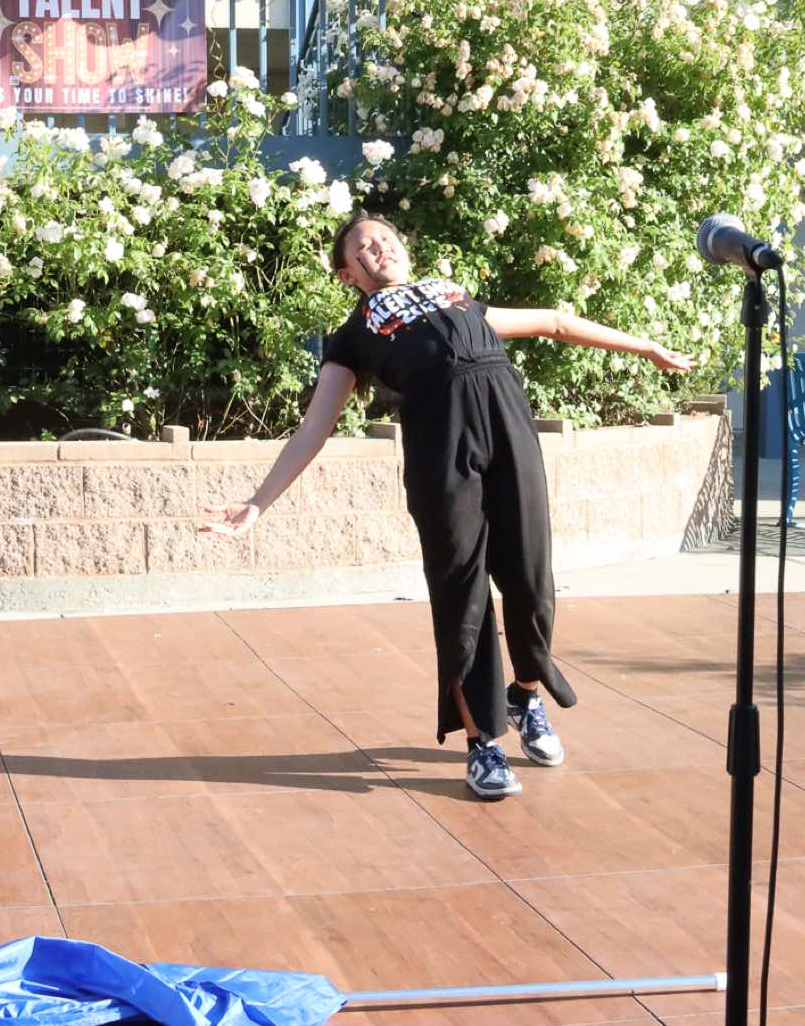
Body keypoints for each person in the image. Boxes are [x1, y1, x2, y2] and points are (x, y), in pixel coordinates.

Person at [200, 213, 695, 800]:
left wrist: (645, 346)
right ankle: (483, 742)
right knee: (464, 597)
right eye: (364, 247)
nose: (380, 248)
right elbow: (314, 428)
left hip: (510, 434)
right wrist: (258, 502)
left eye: (386, 239)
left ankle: (525, 696)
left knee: (533, 582)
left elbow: (555, 322)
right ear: (347, 274)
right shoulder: (353, 336)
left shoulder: (455, 296)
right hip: (443, 456)